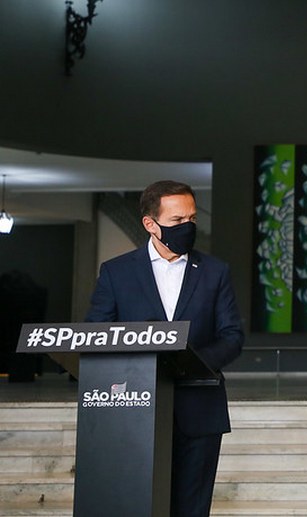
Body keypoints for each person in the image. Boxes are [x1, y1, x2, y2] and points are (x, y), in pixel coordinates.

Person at [85, 180, 244, 517]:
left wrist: (189, 363)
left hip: (199, 411)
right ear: (150, 223)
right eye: (177, 220)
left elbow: (231, 336)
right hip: (132, 412)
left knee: (192, 509)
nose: (187, 226)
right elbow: (97, 334)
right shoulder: (116, 273)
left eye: (192, 219)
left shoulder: (215, 272)